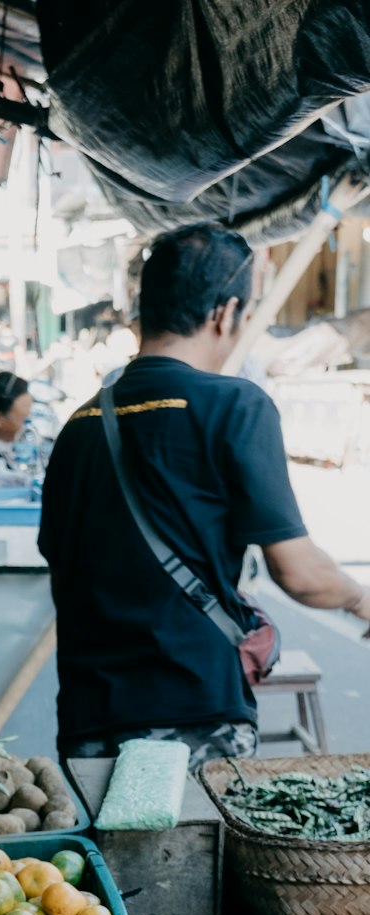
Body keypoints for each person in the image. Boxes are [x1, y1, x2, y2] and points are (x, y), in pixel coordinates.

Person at [38, 223, 370, 768]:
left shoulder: (79, 424)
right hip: (192, 716)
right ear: (225, 313)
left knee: (102, 857)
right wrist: (359, 597)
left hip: (87, 719)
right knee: (199, 854)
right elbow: (299, 572)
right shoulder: (236, 406)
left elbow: (61, 565)